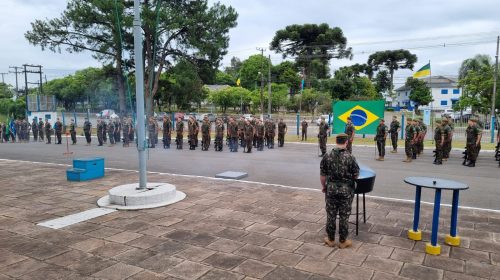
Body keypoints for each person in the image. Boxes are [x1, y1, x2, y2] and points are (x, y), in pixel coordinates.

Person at [320, 133, 360, 249]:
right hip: (346, 190)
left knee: (331, 215)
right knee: (344, 215)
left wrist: (324, 187)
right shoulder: (350, 157)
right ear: (346, 142)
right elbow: (356, 175)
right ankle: (343, 241)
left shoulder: (327, 156)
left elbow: (323, 176)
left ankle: (331, 240)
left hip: (331, 189)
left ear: (336, 141)